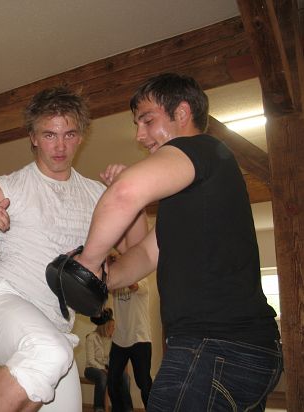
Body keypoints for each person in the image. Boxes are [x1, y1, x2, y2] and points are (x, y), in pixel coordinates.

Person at [76, 72, 283, 411]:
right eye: (137, 124)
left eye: (147, 120)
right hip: (239, 349)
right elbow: (143, 255)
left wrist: (86, 262)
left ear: (182, 113)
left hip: (216, 346)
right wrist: (99, 278)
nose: (139, 135)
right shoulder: (189, 196)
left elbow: (125, 193)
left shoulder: (200, 147)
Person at [0, 86, 147, 412]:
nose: (60, 146)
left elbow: (137, 251)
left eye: (69, 134)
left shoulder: (96, 195)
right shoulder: (8, 187)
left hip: (56, 331)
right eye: (49, 135)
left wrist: (132, 194)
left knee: (55, 361)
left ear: (81, 137)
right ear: (33, 137)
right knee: (49, 352)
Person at [107, 253, 152, 411]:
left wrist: (121, 264)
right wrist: (109, 266)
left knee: (143, 383)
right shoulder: (115, 284)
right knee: (112, 382)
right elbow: (105, 284)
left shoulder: (142, 279)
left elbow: (133, 285)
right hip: (119, 339)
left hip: (140, 338)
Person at [85, 308, 132, 412]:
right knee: (102, 377)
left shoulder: (111, 340)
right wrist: (103, 369)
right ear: (105, 326)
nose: (114, 329)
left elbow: (111, 360)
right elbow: (91, 360)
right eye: (112, 326)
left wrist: (114, 368)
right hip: (91, 369)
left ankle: (127, 408)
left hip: (106, 368)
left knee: (125, 377)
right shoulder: (91, 337)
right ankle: (99, 408)